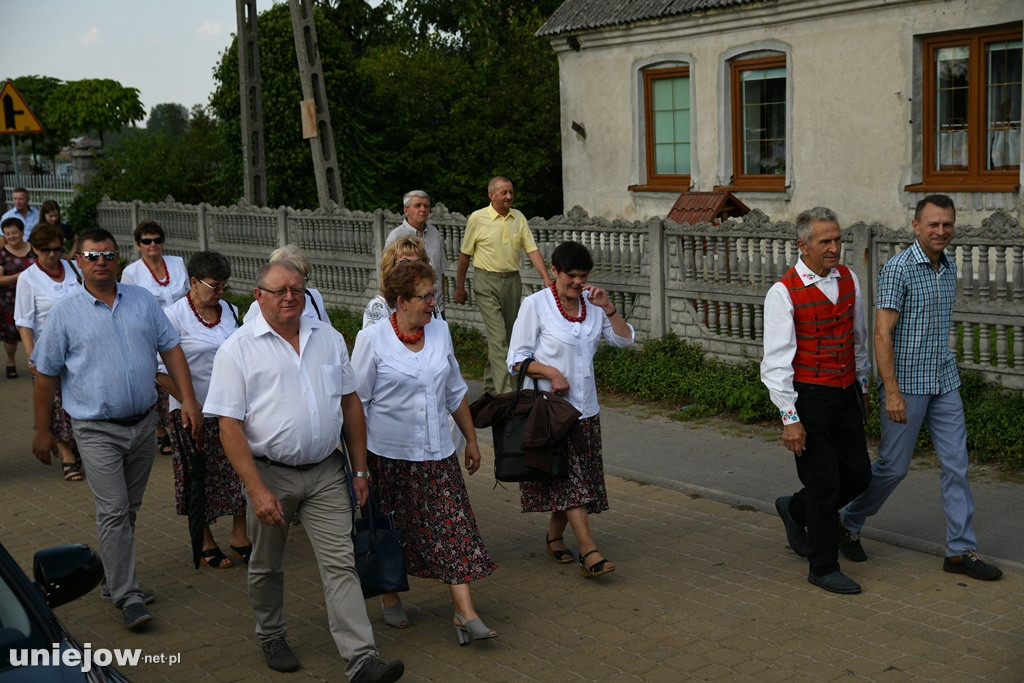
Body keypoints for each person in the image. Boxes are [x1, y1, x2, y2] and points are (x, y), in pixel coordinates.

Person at [205, 261, 404, 681]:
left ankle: (362, 659)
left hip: (326, 472)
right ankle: (271, 633)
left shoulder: (328, 338)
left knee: (341, 564)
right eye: (278, 291)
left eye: (296, 288)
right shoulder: (237, 349)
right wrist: (257, 491)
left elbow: (350, 405)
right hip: (269, 474)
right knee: (266, 564)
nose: (289, 297)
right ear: (259, 296)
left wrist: (361, 470)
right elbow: (228, 426)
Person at [30, 227, 203, 630]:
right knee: (112, 512)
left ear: (118, 259)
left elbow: (171, 348)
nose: (100, 262)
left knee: (128, 510)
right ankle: (128, 595)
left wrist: (189, 400)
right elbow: (44, 376)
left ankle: (111, 579)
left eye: (107, 255)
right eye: (91, 256)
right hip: (94, 429)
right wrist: (42, 431)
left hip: (144, 423)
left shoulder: (142, 301)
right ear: (79, 262)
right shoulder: (64, 313)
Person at [839, 194, 1002, 581]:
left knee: (957, 466)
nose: (941, 231)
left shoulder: (947, 268)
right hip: (907, 385)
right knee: (894, 468)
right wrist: (891, 391)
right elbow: (881, 334)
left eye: (947, 224)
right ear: (916, 226)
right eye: (933, 224)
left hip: (944, 381)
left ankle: (960, 551)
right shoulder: (899, 268)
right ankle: (847, 520)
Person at [352, 261, 497, 643]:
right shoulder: (372, 340)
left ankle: (464, 612)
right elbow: (356, 406)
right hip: (389, 457)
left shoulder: (441, 332)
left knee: (454, 528)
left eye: (434, 294)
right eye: (426, 296)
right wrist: (359, 468)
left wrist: (471, 438)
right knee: (391, 530)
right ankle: (389, 596)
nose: (433, 303)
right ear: (400, 301)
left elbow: (454, 390)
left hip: (437, 454)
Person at [760, 207, 872, 595]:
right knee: (824, 485)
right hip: (808, 396)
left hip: (845, 391)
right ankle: (822, 567)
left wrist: (863, 388)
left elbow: (858, 340)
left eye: (838, 239)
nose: (834, 248)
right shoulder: (783, 291)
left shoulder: (849, 279)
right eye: (825, 241)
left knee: (859, 474)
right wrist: (790, 418)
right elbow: (776, 362)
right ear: (802, 245)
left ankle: (794, 508)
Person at [506, 240, 634, 578]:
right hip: (551, 413)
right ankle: (589, 551)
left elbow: (624, 340)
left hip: (586, 411)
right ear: (554, 271)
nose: (578, 282)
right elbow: (515, 360)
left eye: (583, 276)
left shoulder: (592, 307)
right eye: (571, 276)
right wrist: (549, 372)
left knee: (572, 478)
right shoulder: (536, 305)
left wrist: (608, 308)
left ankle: (554, 536)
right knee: (573, 482)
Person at [157, 251, 250, 570]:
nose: (221, 293)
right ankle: (206, 540)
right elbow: (157, 370)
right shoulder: (172, 316)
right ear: (194, 282)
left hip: (231, 411)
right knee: (201, 476)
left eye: (225, 286)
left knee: (240, 471)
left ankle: (241, 535)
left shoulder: (231, 311)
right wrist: (188, 400)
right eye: (215, 286)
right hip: (190, 411)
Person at [455, 176, 552, 395]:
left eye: (510, 192)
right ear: (491, 195)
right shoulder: (477, 218)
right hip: (485, 281)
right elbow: (464, 256)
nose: (509, 196)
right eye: (503, 193)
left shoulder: (518, 217)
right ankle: (505, 393)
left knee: (509, 336)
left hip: (512, 281)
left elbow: (531, 249)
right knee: (498, 337)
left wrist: (545, 277)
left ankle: (490, 386)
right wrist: (460, 287)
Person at [14, 225, 82, 480]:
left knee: (77, 399)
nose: (53, 255)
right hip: (48, 351)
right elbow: (24, 321)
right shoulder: (28, 278)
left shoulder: (74, 269)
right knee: (55, 403)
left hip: (79, 347)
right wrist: (32, 355)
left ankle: (76, 443)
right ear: (34, 249)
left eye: (57, 249)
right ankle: (66, 454)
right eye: (46, 250)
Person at [120, 220, 190, 456]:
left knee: (181, 371)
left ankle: (184, 417)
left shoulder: (177, 263)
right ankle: (161, 429)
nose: (152, 245)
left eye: (157, 240)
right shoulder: (131, 272)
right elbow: (128, 306)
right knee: (157, 379)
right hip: (150, 332)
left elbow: (190, 294)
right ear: (138, 245)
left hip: (182, 327)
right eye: (146, 241)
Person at [385, 190, 447, 318]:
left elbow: (441, 271)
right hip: (410, 310)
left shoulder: (434, 232)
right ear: (406, 210)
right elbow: (388, 275)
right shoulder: (396, 237)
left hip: (436, 307)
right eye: (417, 205)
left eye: (426, 206)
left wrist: (442, 303)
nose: (423, 209)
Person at [244, 244, 328, 325]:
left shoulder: (314, 296)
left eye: (301, 278)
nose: (290, 297)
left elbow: (326, 329)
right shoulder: (258, 307)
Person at [363, 236, 429, 328]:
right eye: (405, 262)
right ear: (390, 267)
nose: (413, 268)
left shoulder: (428, 301)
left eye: (418, 262)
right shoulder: (377, 308)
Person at [1, 217, 37, 378]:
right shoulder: (2, 254)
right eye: (7, 234)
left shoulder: (34, 249)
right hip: (10, 300)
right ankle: (10, 361)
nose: (11, 236)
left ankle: (37, 362)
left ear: (22, 232)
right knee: (10, 335)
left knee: (37, 330)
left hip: (34, 297)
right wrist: (20, 276)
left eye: (14, 232)